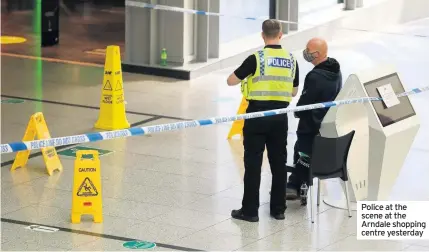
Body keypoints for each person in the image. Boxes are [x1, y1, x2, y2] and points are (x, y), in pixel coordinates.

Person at [226, 19, 300, 222]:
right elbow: (293, 92)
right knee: (278, 163)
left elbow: (231, 80)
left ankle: (250, 211)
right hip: (279, 118)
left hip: (257, 116)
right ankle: (278, 210)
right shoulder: (292, 60)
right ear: (281, 34)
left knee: (253, 163)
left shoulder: (256, 58)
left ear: (262, 35)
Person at [286, 37, 342, 200]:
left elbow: (306, 101)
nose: (305, 52)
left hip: (311, 125)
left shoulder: (315, 76)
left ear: (316, 54)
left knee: (302, 153)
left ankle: (295, 186)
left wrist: (298, 112)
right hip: (326, 122)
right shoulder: (335, 70)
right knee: (304, 152)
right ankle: (298, 184)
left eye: (308, 50)